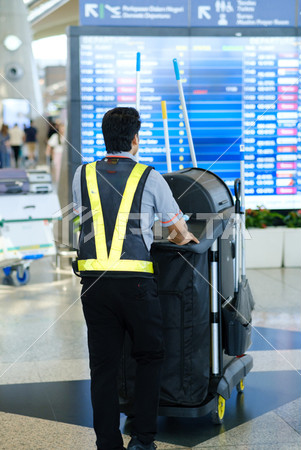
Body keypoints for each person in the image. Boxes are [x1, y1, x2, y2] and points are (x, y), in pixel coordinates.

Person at [72, 107, 199, 450]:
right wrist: (181, 236)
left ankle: (107, 443)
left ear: (105, 137)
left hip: (94, 285)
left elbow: (86, 223)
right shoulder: (150, 177)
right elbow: (178, 230)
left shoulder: (81, 174)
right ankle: (142, 439)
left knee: (103, 366)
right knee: (149, 356)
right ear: (134, 140)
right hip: (137, 286)